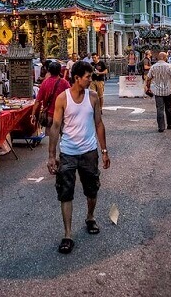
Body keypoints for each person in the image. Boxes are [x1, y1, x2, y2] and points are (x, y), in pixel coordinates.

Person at [47, 61, 110, 254]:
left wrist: (104, 151)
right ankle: (67, 234)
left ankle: (90, 217)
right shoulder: (62, 99)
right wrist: (51, 155)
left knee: (92, 189)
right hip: (68, 152)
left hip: (89, 151)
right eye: (87, 77)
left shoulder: (92, 98)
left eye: (91, 77)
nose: (90, 80)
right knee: (65, 193)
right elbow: (56, 127)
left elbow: (99, 124)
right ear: (76, 78)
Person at [32, 61, 70, 135]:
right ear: (59, 71)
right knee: (64, 137)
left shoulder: (45, 83)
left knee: (51, 139)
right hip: (62, 114)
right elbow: (71, 96)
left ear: (49, 70)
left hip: (49, 114)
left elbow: (38, 100)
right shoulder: (64, 83)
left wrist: (33, 114)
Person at [145, 52, 171, 132]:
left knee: (160, 109)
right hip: (168, 90)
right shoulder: (169, 66)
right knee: (168, 108)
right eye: (166, 57)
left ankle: (161, 127)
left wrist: (148, 87)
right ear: (164, 58)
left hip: (158, 91)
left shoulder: (153, 67)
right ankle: (170, 124)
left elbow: (148, 79)